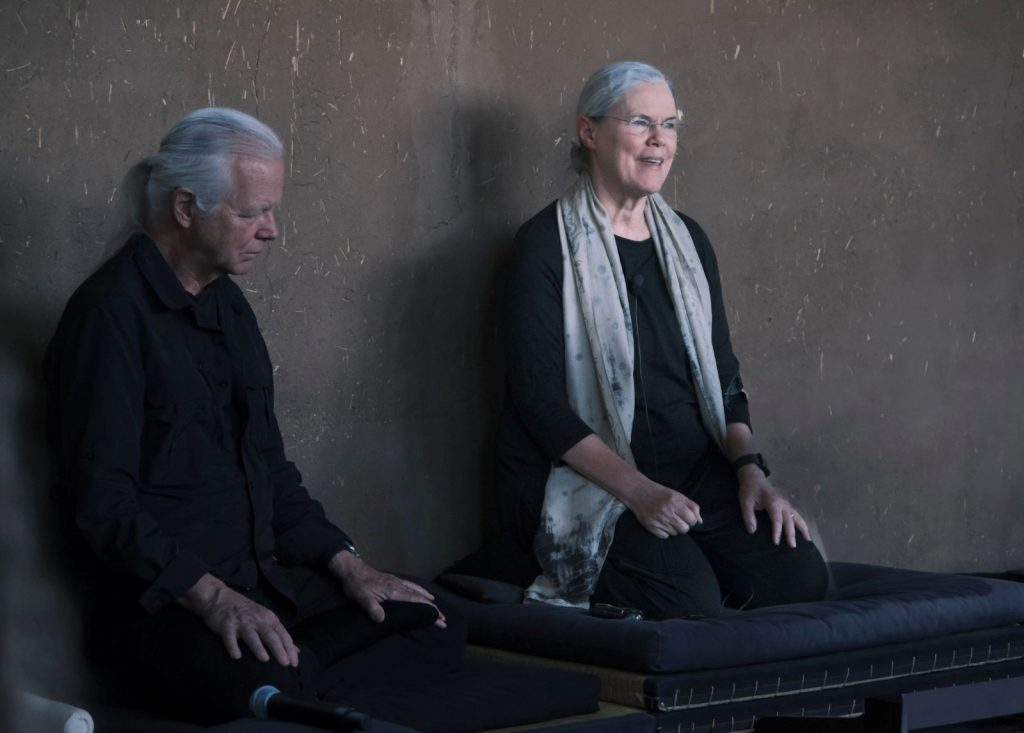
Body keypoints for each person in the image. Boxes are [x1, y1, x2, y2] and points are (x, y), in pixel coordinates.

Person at [43, 108, 459, 725]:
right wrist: (213, 598)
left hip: (264, 583)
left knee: (433, 618)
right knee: (264, 676)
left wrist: (351, 566)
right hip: (164, 604)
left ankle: (304, 685)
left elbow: (268, 468)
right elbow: (104, 507)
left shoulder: (229, 308)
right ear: (186, 208)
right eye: (251, 213)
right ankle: (301, 685)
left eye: (271, 210)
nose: (272, 231)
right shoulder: (109, 316)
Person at [495, 61, 831, 618]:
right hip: (590, 479)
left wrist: (750, 472)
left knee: (799, 578)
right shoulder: (544, 245)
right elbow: (541, 406)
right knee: (687, 602)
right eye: (641, 123)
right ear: (589, 132)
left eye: (670, 124)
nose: (659, 140)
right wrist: (638, 492)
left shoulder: (689, 240)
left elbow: (725, 377)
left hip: (694, 469)